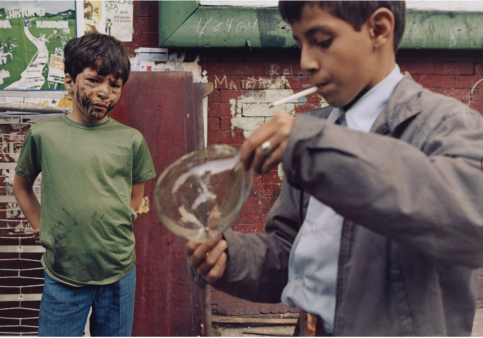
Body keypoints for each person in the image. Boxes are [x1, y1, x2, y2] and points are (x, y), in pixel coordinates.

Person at [185, 1, 483, 336]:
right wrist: (231, 257)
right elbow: (294, 255)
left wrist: (318, 146)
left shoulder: (446, 124)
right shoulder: (313, 132)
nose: (305, 62)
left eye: (322, 41)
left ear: (379, 29)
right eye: (300, 44)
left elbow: (471, 223)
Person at [13, 33, 156, 336]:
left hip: (118, 270)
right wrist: (40, 224)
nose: (105, 92)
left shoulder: (131, 140)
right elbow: (22, 186)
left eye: (114, 85)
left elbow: (137, 191)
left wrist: (121, 218)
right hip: (64, 272)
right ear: (70, 81)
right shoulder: (44, 135)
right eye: (94, 80)